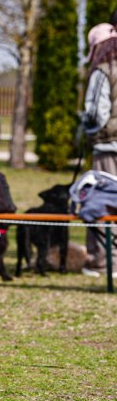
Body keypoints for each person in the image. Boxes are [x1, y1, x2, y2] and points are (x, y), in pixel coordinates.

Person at [80, 22, 117, 278]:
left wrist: (85, 126)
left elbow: (96, 113)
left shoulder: (104, 70)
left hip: (108, 147)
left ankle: (104, 262)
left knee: (105, 203)